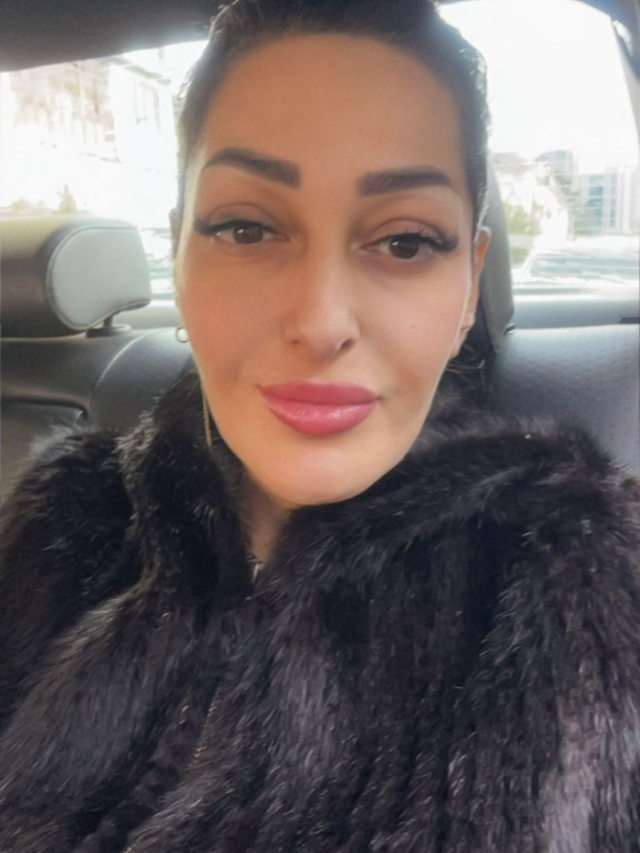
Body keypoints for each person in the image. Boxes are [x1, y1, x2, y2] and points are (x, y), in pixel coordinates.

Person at [1, 0, 639, 850]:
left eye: (406, 241)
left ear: (467, 288)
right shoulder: (60, 524)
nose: (321, 319)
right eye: (246, 228)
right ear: (179, 258)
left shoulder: (589, 582)